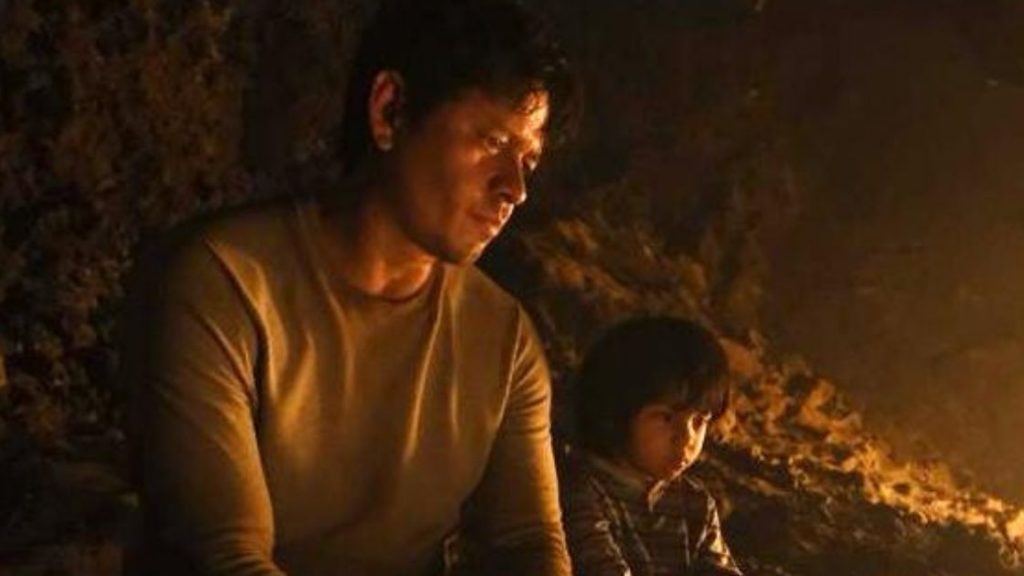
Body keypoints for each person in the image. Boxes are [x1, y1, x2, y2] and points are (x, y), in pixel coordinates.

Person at [119, 0, 580, 574]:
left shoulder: (503, 339)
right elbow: (226, 556)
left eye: (528, 162)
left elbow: (529, 541)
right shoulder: (224, 282)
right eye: (492, 142)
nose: (515, 187)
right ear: (390, 111)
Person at [559, 317, 744, 576]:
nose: (686, 437)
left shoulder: (695, 503)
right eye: (666, 418)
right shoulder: (582, 489)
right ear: (616, 414)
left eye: (699, 421)